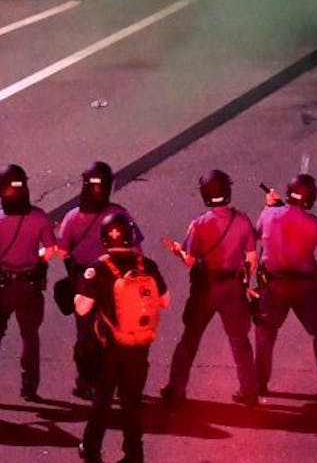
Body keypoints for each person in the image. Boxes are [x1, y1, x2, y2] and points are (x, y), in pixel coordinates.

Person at [75, 211, 169, 463]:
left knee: (102, 400)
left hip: (109, 348)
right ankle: (134, 454)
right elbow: (165, 301)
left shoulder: (99, 268)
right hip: (139, 347)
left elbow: (82, 308)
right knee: (132, 402)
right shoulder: (146, 265)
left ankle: (92, 449)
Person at [161, 169, 260, 408]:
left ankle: (176, 390)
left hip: (206, 288)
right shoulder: (243, 220)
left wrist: (177, 250)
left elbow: (190, 260)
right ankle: (249, 392)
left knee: (190, 339)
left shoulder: (200, 224)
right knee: (239, 340)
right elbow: (252, 258)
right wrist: (244, 280)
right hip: (234, 288)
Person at [0, 164, 57, 405]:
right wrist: (36, 259)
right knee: (30, 337)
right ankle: (29, 389)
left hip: (3, 286)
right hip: (30, 286)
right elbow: (51, 250)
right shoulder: (40, 217)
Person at [254, 173, 317, 395]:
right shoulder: (312, 222)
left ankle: (259, 383)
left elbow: (259, 233)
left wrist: (270, 207)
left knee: (265, 333)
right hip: (305, 288)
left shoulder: (269, 214)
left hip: (274, 285)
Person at [58, 161, 139, 400]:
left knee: (85, 333)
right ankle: (116, 381)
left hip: (85, 281)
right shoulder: (120, 214)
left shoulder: (72, 217)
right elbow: (136, 247)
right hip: (116, 283)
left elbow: (62, 252)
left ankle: (86, 382)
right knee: (116, 332)